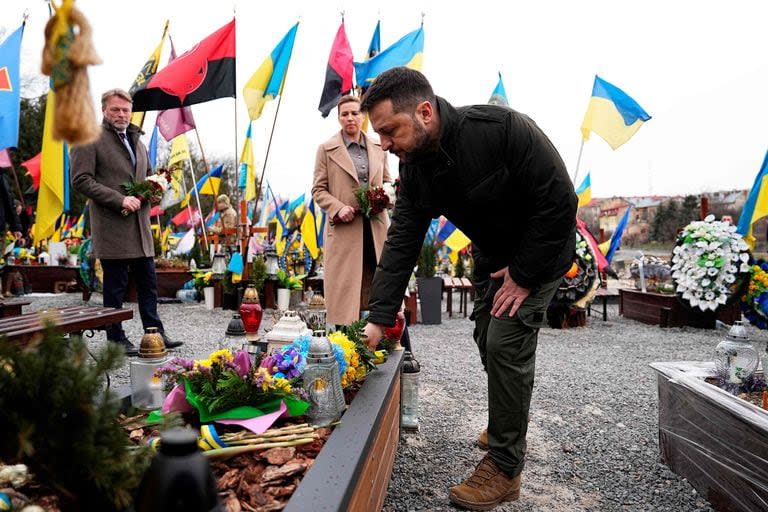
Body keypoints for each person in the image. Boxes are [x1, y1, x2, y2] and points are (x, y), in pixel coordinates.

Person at [360, 67, 577, 510]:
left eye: (388, 130)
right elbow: (403, 240)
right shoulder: (416, 166)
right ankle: (506, 420)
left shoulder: (502, 131)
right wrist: (378, 319)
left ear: (424, 111)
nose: (383, 143)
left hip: (542, 251)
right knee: (484, 335)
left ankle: (504, 466)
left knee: (505, 343)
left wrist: (524, 273)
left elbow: (559, 202)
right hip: (493, 259)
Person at [71, 88, 182, 356]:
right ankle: (116, 339)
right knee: (116, 287)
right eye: (115, 110)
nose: (121, 114)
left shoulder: (138, 142)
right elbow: (81, 180)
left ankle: (155, 333)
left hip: (140, 229)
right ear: (104, 111)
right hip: (113, 226)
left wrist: (157, 187)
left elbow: (143, 179)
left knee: (149, 285)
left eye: (125, 110)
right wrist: (119, 199)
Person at [312, 95, 392, 325]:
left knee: (379, 285)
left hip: (376, 230)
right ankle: (345, 346)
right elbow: (318, 190)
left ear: (363, 115)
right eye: (345, 114)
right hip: (345, 231)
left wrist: (385, 197)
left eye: (354, 113)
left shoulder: (379, 147)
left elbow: (387, 181)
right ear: (338, 118)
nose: (350, 118)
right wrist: (338, 208)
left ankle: (382, 341)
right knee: (346, 294)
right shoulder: (326, 150)